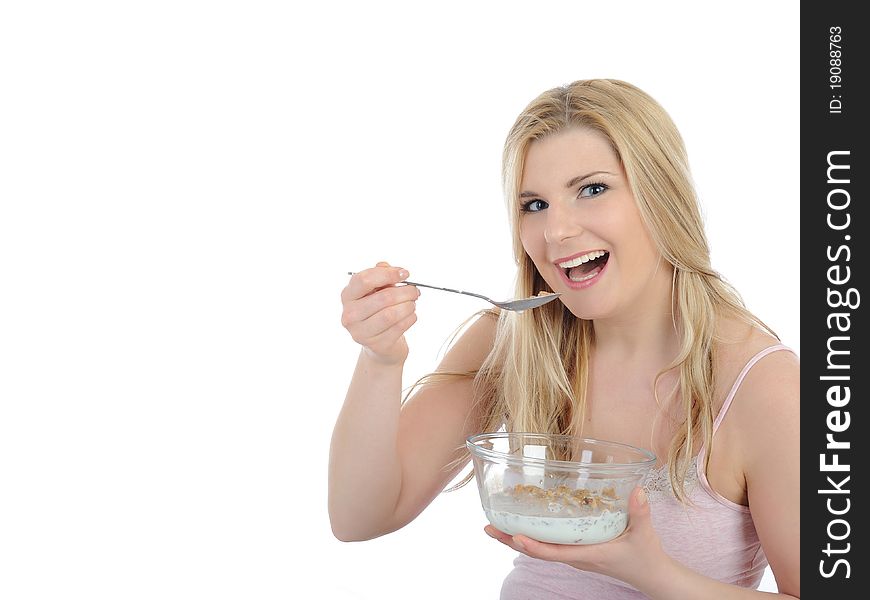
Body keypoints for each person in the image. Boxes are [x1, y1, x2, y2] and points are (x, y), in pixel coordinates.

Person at [329, 79, 800, 598]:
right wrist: (379, 360)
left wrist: (651, 572)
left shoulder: (764, 388)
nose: (556, 232)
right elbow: (360, 516)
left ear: (660, 194)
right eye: (534, 205)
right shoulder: (515, 342)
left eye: (592, 190)